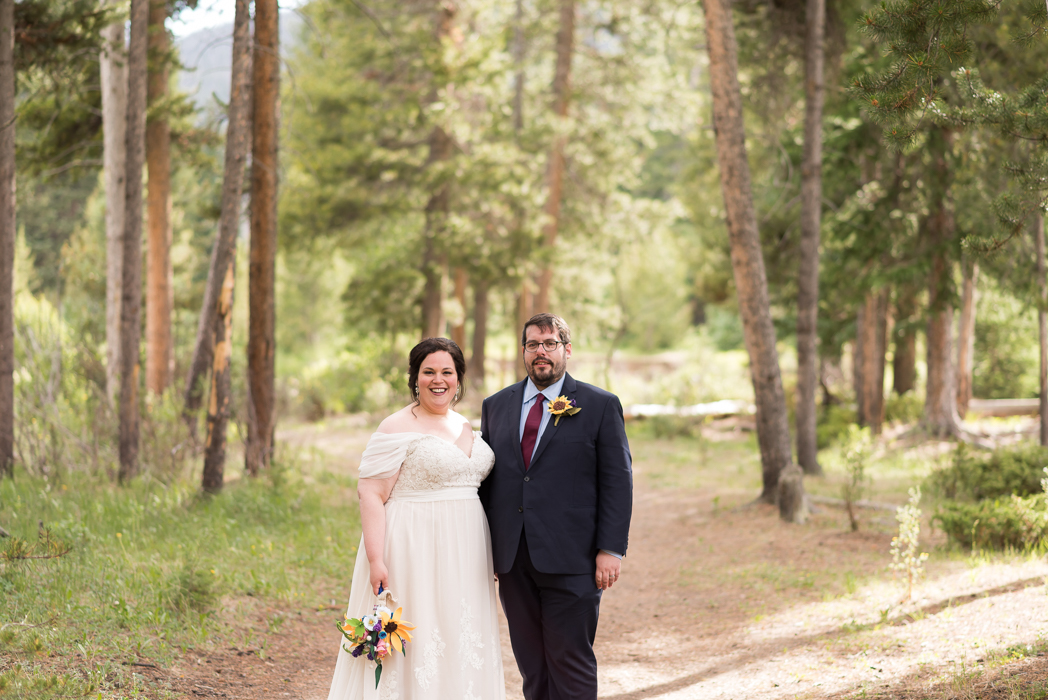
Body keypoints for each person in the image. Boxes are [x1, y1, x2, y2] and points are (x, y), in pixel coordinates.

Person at [327, 337, 506, 700]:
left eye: (447, 372)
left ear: (459, 378)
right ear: (415, 377)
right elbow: (371, 494)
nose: (437, 380)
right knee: (419, 633)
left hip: (467, 552)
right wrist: (377, 560)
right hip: (413, 546)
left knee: (460, 631)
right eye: (428, 372)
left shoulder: (465, 425)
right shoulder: (395, 427)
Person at [479, 313, 633, 700]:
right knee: (532, 664)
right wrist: (487, 550)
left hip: (574, 558)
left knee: (570, 659)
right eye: (533, 344)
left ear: (566, 349)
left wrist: (610, 548)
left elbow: (617, 480)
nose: (541, 352)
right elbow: (488, 481)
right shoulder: (496, 406)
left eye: (550, 343)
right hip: (514, 561)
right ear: (523, 352)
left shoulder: (599, 405)